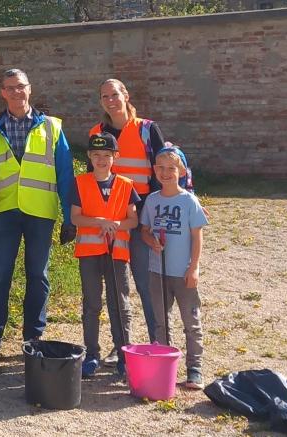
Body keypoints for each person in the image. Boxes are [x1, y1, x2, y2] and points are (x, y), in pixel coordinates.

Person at [90, 78, 199, 366]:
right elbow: (92, 180)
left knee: (146, 284)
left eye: (115, 94)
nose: (110, 100)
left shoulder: (146, 129)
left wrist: (186, 201)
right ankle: (121, 346)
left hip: (142, 220)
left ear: (125, 95)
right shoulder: (97, 133)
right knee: (116, 287)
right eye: (105, 96)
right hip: (111, 222)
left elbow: (168, 167)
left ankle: (157, 345)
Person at [0, 68, 76, 369]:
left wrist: (70, 216)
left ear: (29, 89)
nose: (16, 92)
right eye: (10, 88)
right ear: (3, 93)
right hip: (4, 212)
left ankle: (33, 340)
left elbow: (65, 175)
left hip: (39, 212)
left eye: (21, 87)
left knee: (39, 277)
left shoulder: (51, 127)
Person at [70, 133, 138, 378]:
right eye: (96, 155)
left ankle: (123, 353)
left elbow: (133, 220)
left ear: (115, 157)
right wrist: (98, 221)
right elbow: (75, 217)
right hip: (89, 253)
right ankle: (92, 354)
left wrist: (115, 224)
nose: (101, 160)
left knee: (119, 304)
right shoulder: (80, 183)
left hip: (117, 254)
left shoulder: (126, 185)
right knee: (92, 304)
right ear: (89, 156)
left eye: (107, 155)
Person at [141, 146, 207, 390]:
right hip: (157, 271)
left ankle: (194, 368)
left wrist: (194, 267)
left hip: (183, 272)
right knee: (160, 320)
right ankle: (162, 363)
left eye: (172, 168)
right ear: (155, 170)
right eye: (161, 168)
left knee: (191, 320)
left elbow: (197, 235)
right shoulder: (152, 200)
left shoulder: (189, 200)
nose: (166, 173)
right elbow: (145, 231)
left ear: (181, 171)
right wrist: (151, 242)